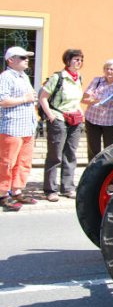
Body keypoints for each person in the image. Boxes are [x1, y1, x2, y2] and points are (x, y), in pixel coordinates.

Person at [39, 49, 85, 202]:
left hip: (75, 120)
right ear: (68, 61)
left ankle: (67, 187)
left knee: (70, 154)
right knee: (55, 155)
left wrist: (80, 112)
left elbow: (76, 100)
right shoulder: (57, 77)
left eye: (81, 60)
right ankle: (51, 189)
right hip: (59, 118)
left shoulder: (79, 78)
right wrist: (51, 115)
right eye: (76, 59)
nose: (79, 62)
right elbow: (43, 97)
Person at [0, 46, 38, 211]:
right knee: (7, 162)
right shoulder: (6, 77)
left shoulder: (24, 77)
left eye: (27, 57)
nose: (26, 59)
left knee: (23, 162)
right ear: (11, 60)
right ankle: (2, 194)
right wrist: (25, 98)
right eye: (22, 57)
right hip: (12, 126)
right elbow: (2, 101)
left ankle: (17, 191)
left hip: (27, 127)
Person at [82, 59, 113, 161]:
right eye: (107, 69)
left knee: (110, 151)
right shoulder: (97, 81)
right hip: (92, 120)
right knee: (93, 151)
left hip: (111, 122)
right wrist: (96, 100)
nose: (109, 71)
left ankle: (108, 174)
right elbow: (84, 99)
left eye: (111, 69)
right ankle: (92, 173)